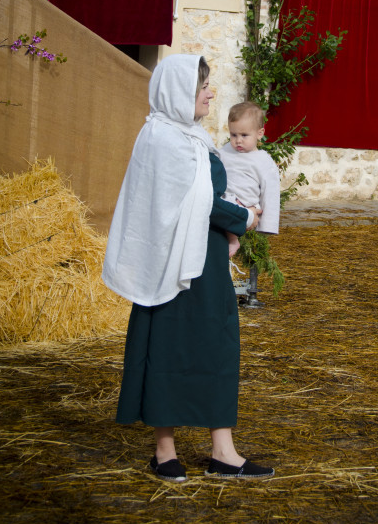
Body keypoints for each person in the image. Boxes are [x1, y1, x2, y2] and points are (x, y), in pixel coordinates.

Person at [102, 54, 275, 482]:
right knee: (166, 349)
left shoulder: (192, 136)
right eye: (203, 88)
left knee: (217, 348)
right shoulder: (162, 139)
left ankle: (223, 452)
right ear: (180, 93)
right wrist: (245, 219)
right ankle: (165, 451)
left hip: (206, 261)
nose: (211, 93)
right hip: (170, 264)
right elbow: (194, 203)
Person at [219, 101, 281, 257]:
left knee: (231, 208)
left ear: (260, 133)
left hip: (246, 203)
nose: (238, 140)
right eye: (233, 135)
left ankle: (233, 240)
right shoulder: (225, 151)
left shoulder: (263, 160)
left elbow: (271, 192)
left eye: (244, 135)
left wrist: (267, 225)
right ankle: (230, 239)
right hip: (225, 197)